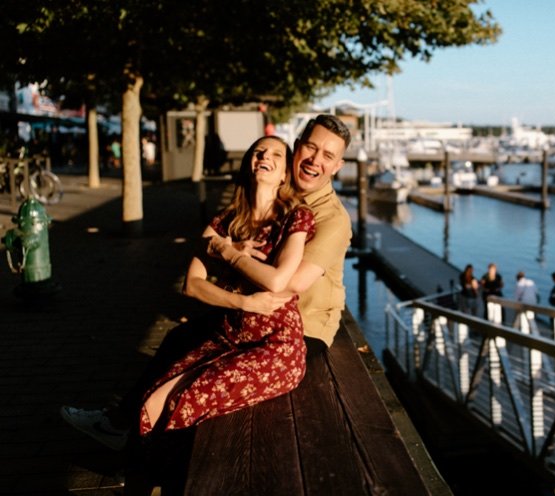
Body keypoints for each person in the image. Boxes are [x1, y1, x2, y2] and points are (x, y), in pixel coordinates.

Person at [62, 115, 354, 449]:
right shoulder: (274, 199)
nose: (316, 159)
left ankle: (140, 436)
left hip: (305, 326)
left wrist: (227, 255)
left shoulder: (330, 218)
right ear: (297, 146)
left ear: (337, 166)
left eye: (328, 156)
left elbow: (287, 286)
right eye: (311, 147)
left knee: (202, 373)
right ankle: (122, 423)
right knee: (180, 338)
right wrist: (222, 256)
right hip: (253, 317)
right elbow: (203, 264)